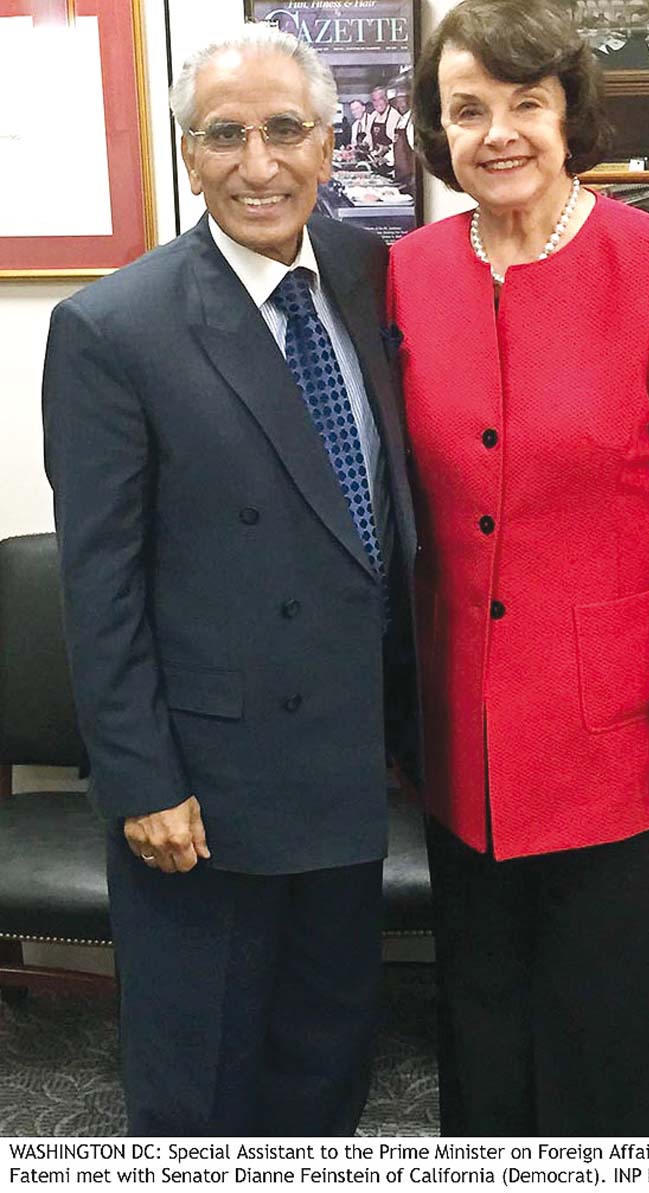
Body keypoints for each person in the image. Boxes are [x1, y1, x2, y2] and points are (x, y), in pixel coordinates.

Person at [387, 0, 649, 1138]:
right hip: (464, 731)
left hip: (617, 728)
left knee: (607, 1019)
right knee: (483, 1017)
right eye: (467, 110)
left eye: (524, 104)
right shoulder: (403, 273)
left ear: (567, 117)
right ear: (434, 128)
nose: (496, 132)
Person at [43, 22, 417, 1137]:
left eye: (285, 130)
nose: (259, 164)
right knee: (199, 1081)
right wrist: (141, 781)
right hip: (200, 788)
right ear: (190, 155)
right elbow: (97, 587)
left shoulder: (368, 274)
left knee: (323, 1052)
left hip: (349, 762)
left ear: (329, 138)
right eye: (225, 135)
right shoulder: (113, 327)